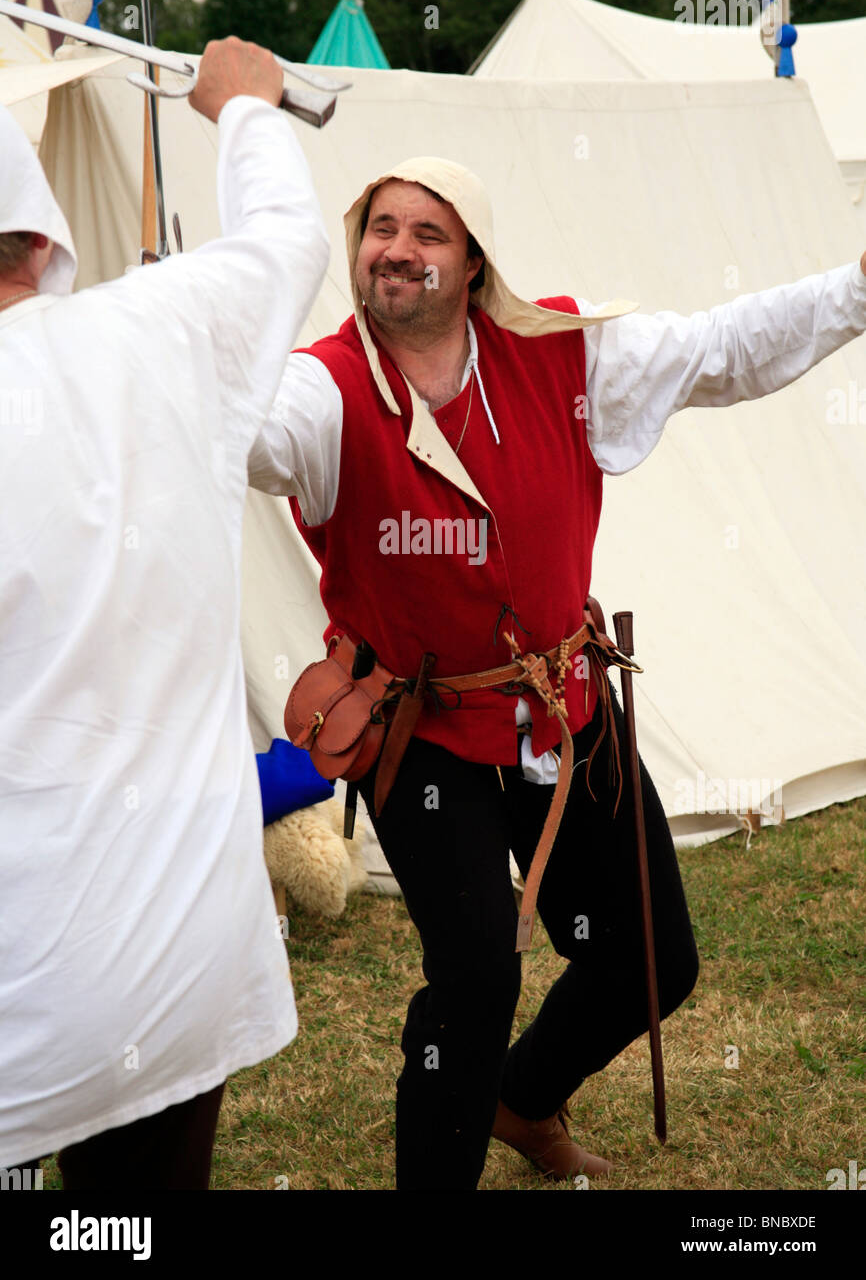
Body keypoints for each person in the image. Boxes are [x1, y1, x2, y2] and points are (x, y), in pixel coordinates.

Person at [247, 156, 866, 1192]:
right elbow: (241, 435)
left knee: (655, 956)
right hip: (422, 728)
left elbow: (723, 349)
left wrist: (855, 288)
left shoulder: (563, 356)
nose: (395, 249)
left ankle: (522, 1099)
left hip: (559, 708)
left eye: (425, 233)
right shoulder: (325, 388)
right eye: (379, 227)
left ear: (476, 263)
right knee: (476, 974)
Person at [0, 38, 329, 1188]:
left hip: (28, 996)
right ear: (43, 238)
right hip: (178, 968)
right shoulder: (162, 328)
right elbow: (289, 238)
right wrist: (243, 108)